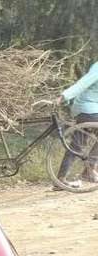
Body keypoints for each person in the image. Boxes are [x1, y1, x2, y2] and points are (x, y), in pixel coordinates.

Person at [57, 59, 98, 189]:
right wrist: (63, 96)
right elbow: (82, 83)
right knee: (78, 142)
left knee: (76, 144)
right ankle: (89, 168)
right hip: (87, 108)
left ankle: (60, 179)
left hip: (88, 109)